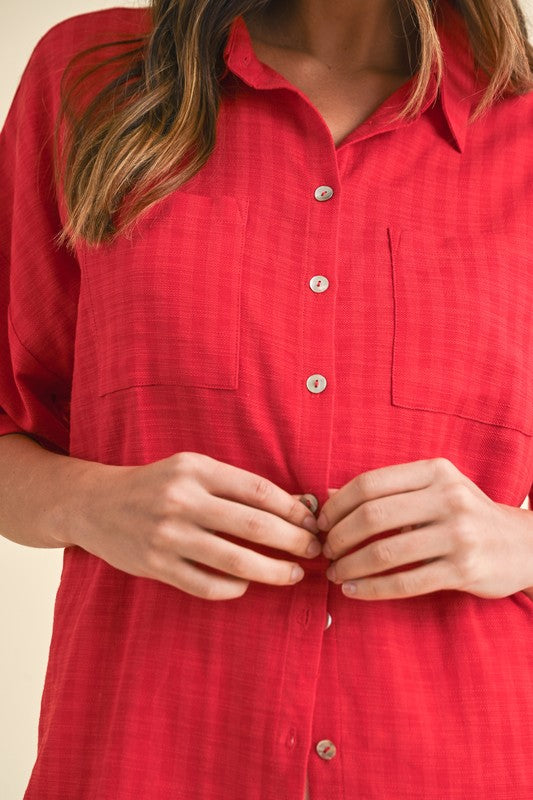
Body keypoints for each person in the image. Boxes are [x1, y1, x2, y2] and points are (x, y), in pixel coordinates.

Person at [1, 0, 533, 797]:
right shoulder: (91, 78)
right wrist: (87, 502)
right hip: (146, 761)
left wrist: (516, 545)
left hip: (457, 759)